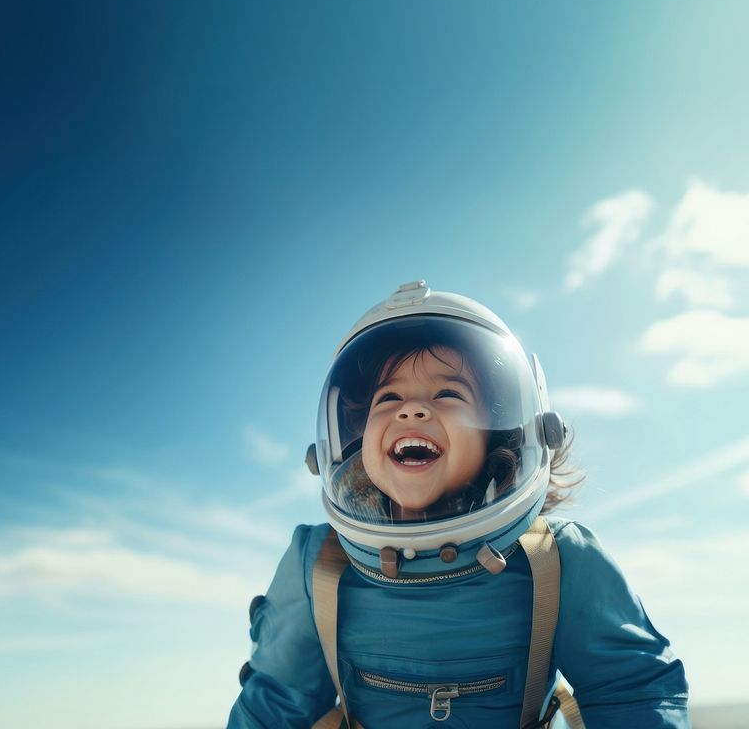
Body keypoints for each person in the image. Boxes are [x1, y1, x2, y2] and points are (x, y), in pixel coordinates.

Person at [228, 281, 691, 728]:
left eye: (448, 394)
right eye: (388, 398)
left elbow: (630, 693)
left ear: (499, 435)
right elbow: (274, 706)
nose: (410, 411)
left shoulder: (558, 561)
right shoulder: (319, 565)